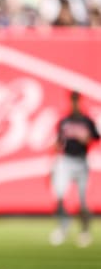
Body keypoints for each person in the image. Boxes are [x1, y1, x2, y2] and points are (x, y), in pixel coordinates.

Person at [49, 90, 99, 247]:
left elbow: (96, 137)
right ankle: (63, 228)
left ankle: (84, 231)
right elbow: (58, 141)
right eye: (73, 100)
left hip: (81, 162)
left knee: (82, 201)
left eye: (77, 100)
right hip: (65, 161)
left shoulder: (86, 121)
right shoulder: (64, 121)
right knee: (60, 196)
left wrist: (87, 138)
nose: (75, 103)